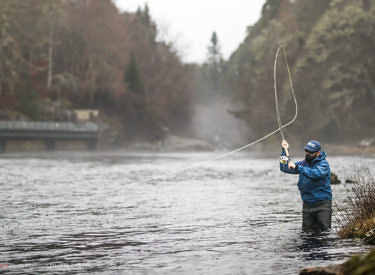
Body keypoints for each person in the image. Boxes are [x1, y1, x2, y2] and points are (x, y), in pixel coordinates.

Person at [280, 139, 332, 231]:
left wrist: (298, 168)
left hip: (322, 205)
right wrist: (284, 151)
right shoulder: (303, 164)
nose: (307, 153)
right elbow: (284, 168)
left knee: (324, 234)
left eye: (310, 152)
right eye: (306, 151)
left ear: (318, 153)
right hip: (307, 205)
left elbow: (316, 174)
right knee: (306, 234)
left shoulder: (324, 164)